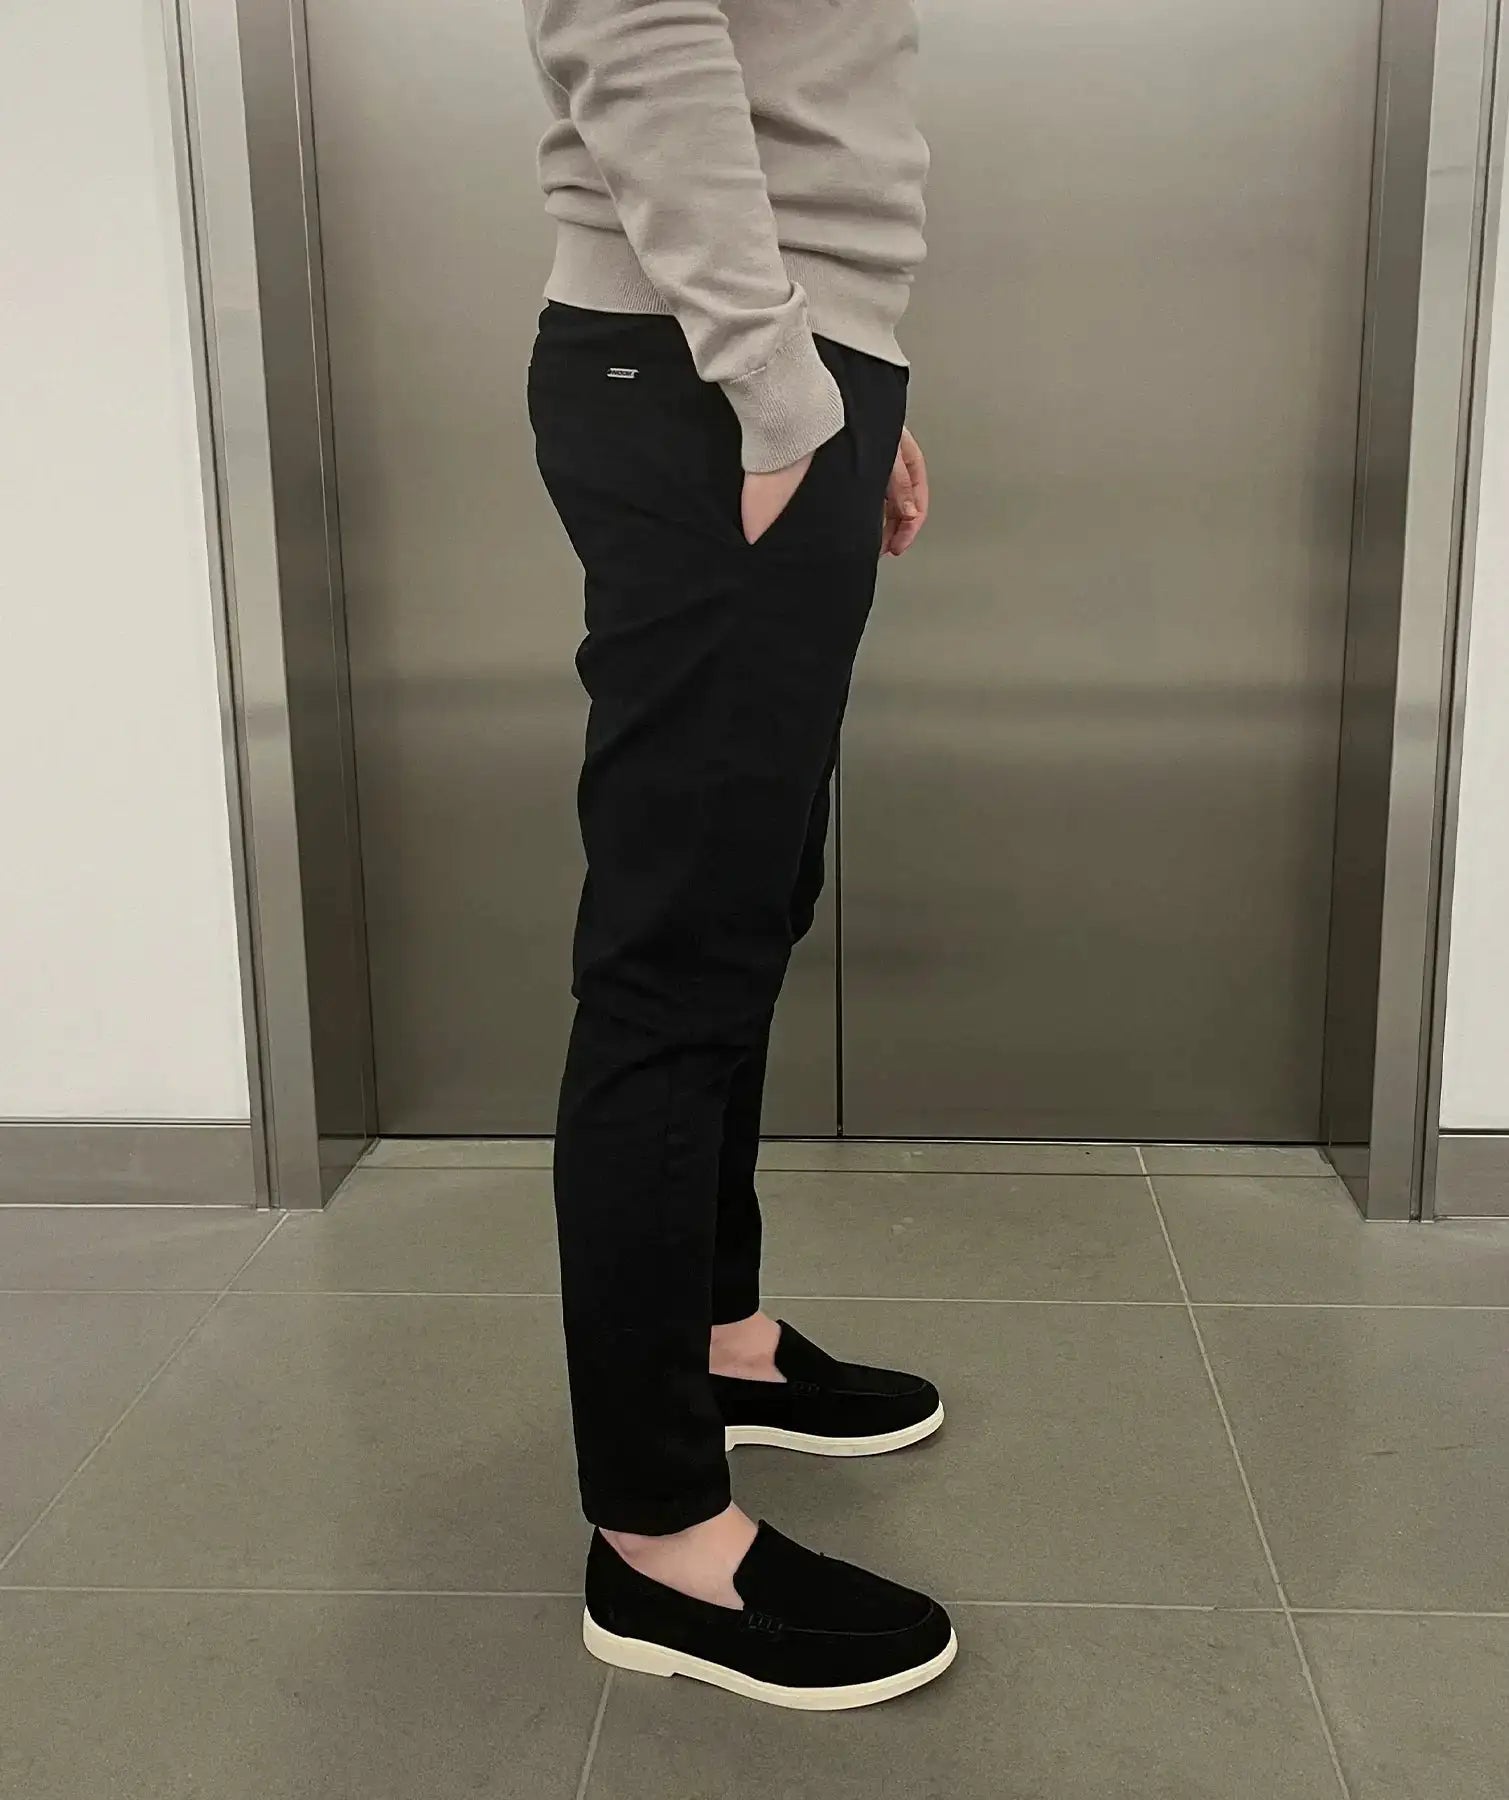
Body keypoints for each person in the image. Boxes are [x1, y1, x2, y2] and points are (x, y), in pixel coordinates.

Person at [523, 0, 952, 1710]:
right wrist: (774, 378)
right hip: (705, 366)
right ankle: (655, 1538)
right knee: (677, 948)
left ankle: (718, 1338)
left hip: (760, 356)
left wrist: (845, 385)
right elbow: (631, 25)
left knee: (751, 894)